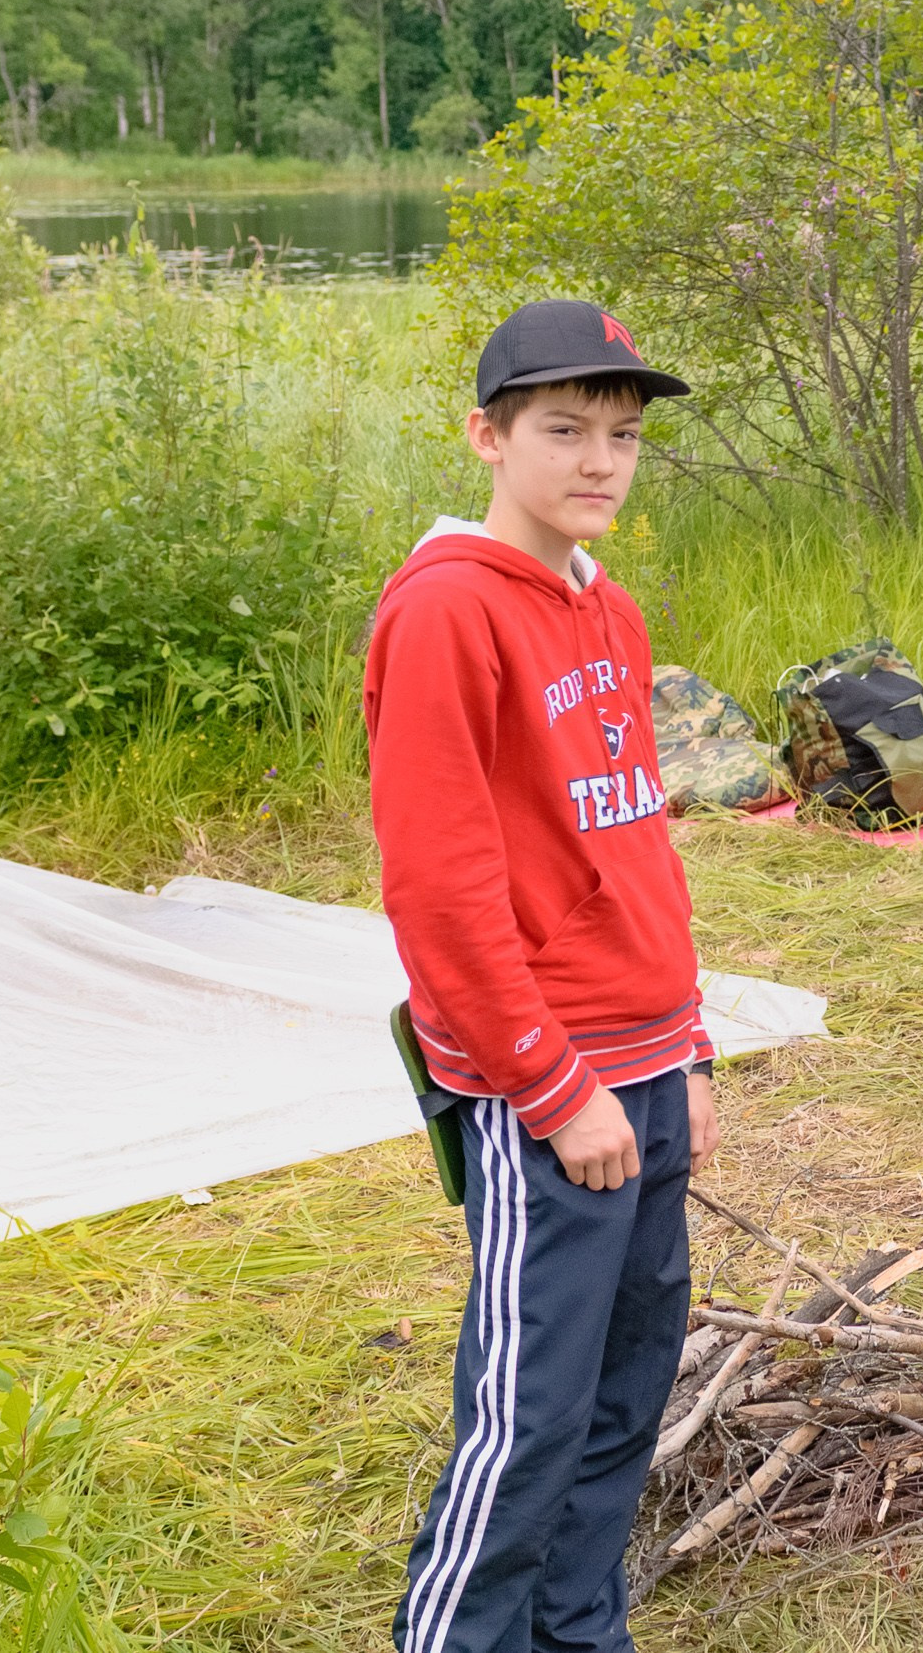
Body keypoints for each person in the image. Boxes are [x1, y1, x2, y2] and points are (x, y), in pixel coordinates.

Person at [365, 299, 718, 1652]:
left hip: (647, 1066)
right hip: (551, 1087)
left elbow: (628, 843)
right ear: (487, 436)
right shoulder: (449, 613)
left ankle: (578, 1629)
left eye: (622, 436)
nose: (600, 461)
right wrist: (553, 1083)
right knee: (530, 1408)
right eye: (564, 429)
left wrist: (686, 1046)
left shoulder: (606, 607)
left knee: (627, 1388)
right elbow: (442, 892)